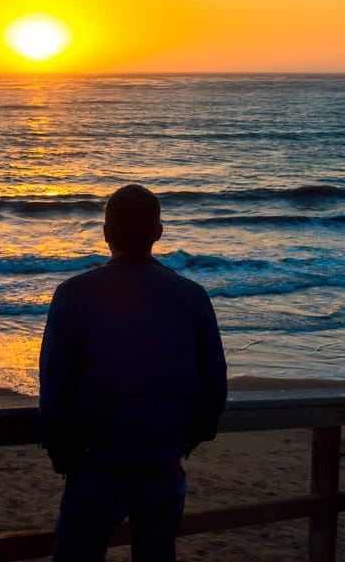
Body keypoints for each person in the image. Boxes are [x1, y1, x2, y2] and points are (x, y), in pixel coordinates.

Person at [39, 184, 227, 562]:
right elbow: (214, 384)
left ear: (106, 233)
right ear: (158, 232)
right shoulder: (192, 296)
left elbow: (55, 384)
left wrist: (62, 453)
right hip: (162, 461)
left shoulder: (73, 294)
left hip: (96, 463)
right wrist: (189, 439)